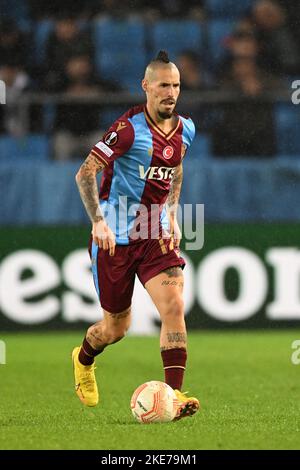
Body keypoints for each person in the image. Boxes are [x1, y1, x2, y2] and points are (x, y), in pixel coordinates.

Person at [72, 50, 200, 420]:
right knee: (115, 328)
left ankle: (174, 397)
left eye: (175, 85)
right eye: (163, 85)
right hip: (115, 238)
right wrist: (98, 221)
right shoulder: (128, 130)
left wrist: (173, 212)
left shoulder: (186, 128)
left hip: (154, 234)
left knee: (174, 305)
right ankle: (82, 360)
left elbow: (175, 167)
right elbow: (85, 173)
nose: (170, 92)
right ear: (146, 86)